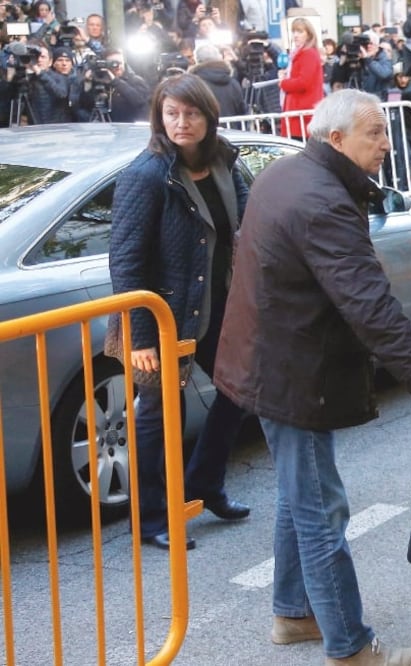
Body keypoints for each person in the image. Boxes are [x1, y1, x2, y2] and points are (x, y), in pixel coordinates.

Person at [213, 89, 411, 666]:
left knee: (302, 496)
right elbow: (373, 308)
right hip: (289, 374)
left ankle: (293, 614)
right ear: (335, 139)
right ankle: (350, 647)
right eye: (375, 133)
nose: (387, 144)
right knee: (320, 509)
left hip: (274, 364)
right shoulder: (322, 200)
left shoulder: (290, 173)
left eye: (386, 131)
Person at [108, 73, 252, 551]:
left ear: (209, 116)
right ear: (159, 117)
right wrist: (141, 336)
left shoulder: (224, 162)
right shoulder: (147, 175)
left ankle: (204, 485)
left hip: (214, 308)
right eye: (171, 113)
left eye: (191, 113)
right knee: (157, 415)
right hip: (161, 316)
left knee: (238, 390)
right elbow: (125, 261)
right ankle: (150, 519)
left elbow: (248, 222)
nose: (181, 122)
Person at [278, 16, 324, 139]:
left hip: (302, 115)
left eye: (300, 31)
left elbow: (303, 82)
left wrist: (283, 83)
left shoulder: (308, 54)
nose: (295, 35)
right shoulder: (299, 54)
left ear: (308, 35)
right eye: (294, 31)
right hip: (298, 115)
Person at [79, 49, 152, 122]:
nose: (118, 66)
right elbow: (85, 106)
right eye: (113, 63)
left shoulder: (136, 81)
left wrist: (115, 82)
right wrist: (87, 83)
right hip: (108, 128)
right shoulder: (101, 81)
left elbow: (140, 102)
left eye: (120, 63)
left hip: (131, 128)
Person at [191, 43, 248, 117]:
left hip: (206, 127)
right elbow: (242, 110)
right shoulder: (233, 83)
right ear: (219, 58)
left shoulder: (193, 84)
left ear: (197, 60)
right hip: (233, 127)